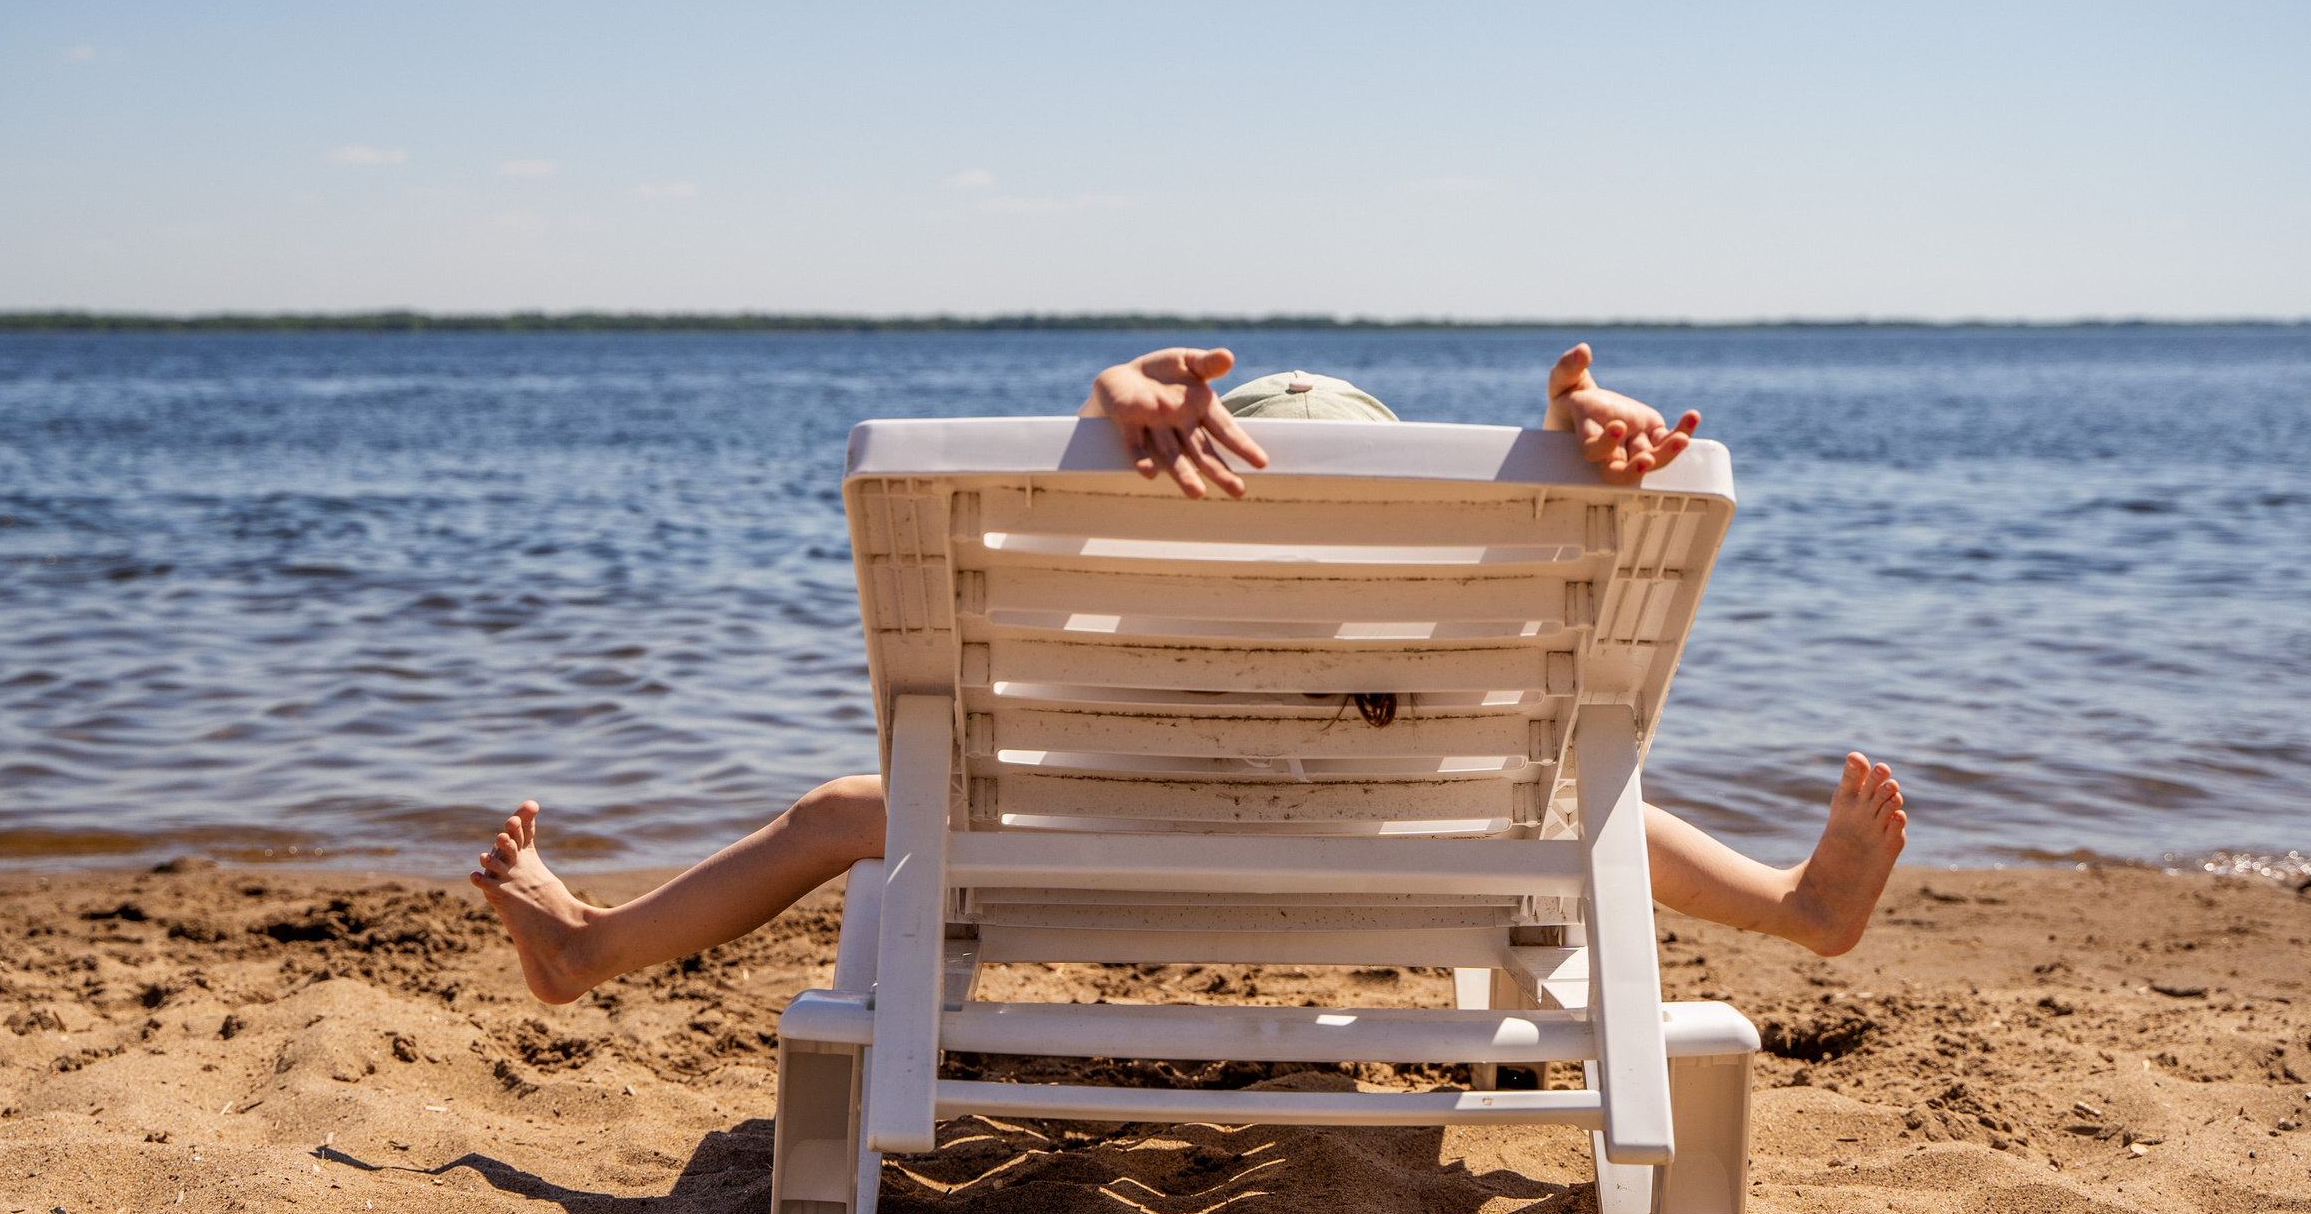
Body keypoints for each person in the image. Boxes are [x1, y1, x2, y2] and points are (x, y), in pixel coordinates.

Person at [470, 344, 1904, 1007]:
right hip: (1429, 861)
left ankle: (596, 944)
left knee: (844, 809)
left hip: (1074, 858)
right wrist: (1568, 429)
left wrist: (1102, 417)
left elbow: (1053, 560)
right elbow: (1546, 567)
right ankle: (1797, 905)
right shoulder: (1446, 656)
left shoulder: (1128, 637)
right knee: (1594, 807)